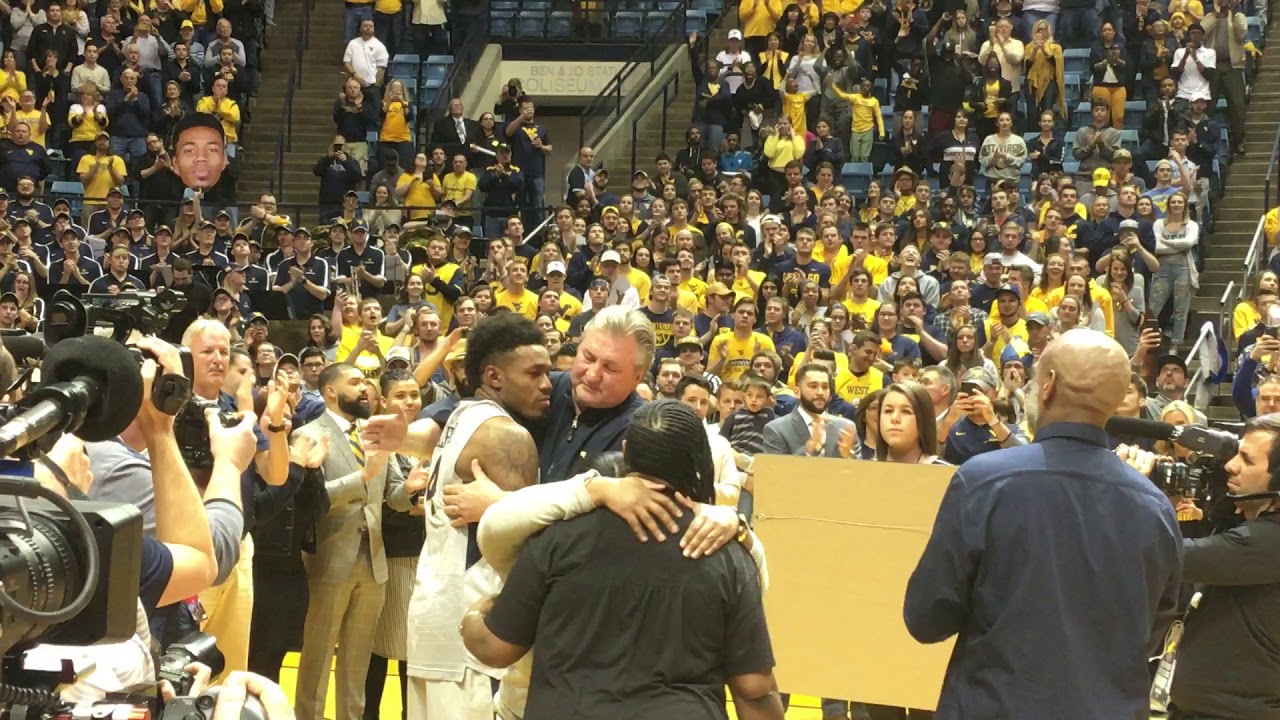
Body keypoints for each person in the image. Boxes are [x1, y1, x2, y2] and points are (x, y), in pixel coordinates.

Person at [905, 328, 1183, 718]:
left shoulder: (984, 480)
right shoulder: (1156, 508)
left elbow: (926, 618)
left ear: (1048, 386)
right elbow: (1153, 630)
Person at [462, 399, 783, 720]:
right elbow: (754, 687)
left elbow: (496, 648)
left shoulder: (554, 537)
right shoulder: (726, 548)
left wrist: (476, 613)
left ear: (626, 451)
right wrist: (737, 523)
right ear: (701, 460)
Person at [403, 312, 552, 720]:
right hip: (474, 627)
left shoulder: (459, 417)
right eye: (535, 373)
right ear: (495, 376)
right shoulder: (507, 436)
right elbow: (527, 550)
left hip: (434, 611)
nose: (546, 384)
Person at [1113, 415, 1280, 718]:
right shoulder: (1252, 530)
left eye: (1246, 459)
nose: (1230, 465)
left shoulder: (1269, 542)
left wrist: (1131, 486)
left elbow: (1160, 556)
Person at [293, 362, 412, 720]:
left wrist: (412, 488)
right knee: (317, 658)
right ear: (330, 391)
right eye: (356, 382)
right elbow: (310, 500)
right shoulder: (308, 434)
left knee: (357, 662)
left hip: (373, 559)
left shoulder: (376, 433)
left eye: (366, 382)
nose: (365, 388)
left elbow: (391, 494)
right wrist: (362, 477)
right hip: (329, 558)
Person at [762, 363, 858, 457]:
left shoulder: (846, 428)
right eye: (813, 386)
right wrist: (809, 449)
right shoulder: (776, 429)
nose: (820, 392)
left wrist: (849, 456)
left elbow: (861, 471)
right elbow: (776, 470)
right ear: (797, 392)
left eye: (825, 387)